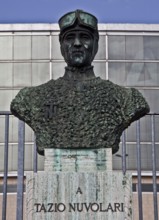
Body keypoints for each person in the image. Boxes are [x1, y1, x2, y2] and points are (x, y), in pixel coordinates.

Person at [10, 10, 150, 155]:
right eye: (70, 38)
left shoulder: (126, 98)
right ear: (61, 45)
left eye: (84, 37)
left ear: (96, 43)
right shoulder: (32, 98)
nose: (77, 43)